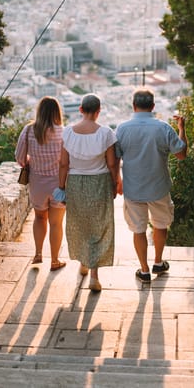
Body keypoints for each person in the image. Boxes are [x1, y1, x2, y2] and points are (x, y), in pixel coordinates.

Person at [116, 88, 187, 283]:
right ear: (153, 106)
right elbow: (181, 154)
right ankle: (158, 262)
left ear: (133, 106)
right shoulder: (163, 128)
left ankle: (144, 270)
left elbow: (114, 158)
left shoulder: (122, 129)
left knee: (138, 229)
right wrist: (182, 129)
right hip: (158, 187)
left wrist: (117, 180)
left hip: (133, 188)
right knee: (161, 224)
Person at [59, 94, 121, 292]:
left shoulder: (68, 133)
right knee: (99, 225)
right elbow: (112, 163)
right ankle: (94, 275)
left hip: (75, 182)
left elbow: (63, 163)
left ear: (80, 109)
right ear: (98, 111)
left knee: (80, 223)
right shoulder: (106, 133)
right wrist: (115, 183)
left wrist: (61, 187)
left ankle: (84, 262)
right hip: (100, 182)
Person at [15, 96, 67, 271]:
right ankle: (55, 260)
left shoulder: (29, 130)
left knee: (39, 218)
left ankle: (38, 254)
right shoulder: (64, 132)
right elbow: (68, 161)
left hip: (37, 183)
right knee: (56, 223)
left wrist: (32, 161)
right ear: (57, 112)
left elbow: (20, 158)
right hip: (59, 184)